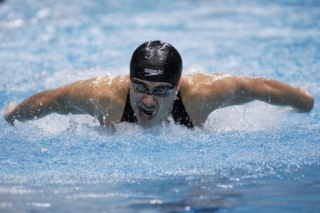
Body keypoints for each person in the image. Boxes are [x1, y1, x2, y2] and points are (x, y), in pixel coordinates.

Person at [4, 40, 314, 129]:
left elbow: (256, 87)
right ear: (129, 82)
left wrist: (304, 102)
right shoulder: (103, 96)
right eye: (140, 88)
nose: (148, 102)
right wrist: (13, 114)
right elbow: (51, 100)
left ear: (177, 87)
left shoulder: (202, 94)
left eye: (162, 91)